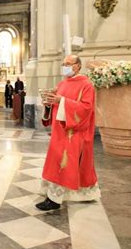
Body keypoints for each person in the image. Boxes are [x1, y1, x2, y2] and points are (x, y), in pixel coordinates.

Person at [35, 55, 100, 211]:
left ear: (78, 66)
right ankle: (84, 195)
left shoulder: (86, 85)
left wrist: (61, 101)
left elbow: (86, 109)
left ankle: (54, 200)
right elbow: (57, 104)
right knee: (57, 161)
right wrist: (49, 104)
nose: (65, 66)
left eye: (68, 64)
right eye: (63, 64)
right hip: (59, 131)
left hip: (74, 132)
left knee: (63, 163)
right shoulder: (63, 83)